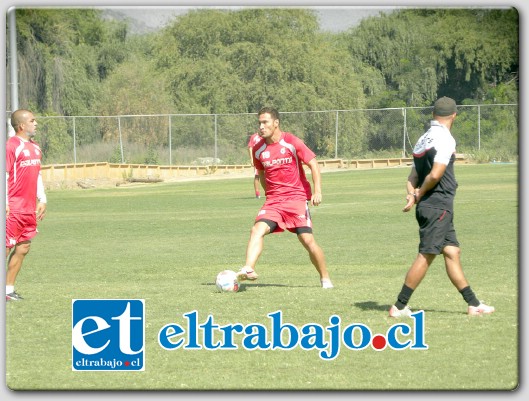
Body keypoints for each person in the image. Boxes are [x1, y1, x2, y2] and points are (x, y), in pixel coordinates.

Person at [389, 97, 494, 317]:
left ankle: (473, 304)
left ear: (434, 114)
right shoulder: (445, 138)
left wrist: (412, 194)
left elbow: (413, 176)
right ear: (454, 115)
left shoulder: (422, 138)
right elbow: (435, 174)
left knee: (452, 252)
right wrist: (420, 193)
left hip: (433, 206)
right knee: (426, 254)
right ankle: (399, 306)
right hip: (438, 205)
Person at [237, 107, 333, 289]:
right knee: (256, 230)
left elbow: (313, 163)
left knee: (307, 240)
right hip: (274, 202)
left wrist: (317, 191)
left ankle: (325, 278)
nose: (261, 126)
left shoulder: (291, 142)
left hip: (296, 199)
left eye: (265, 122)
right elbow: (263, 174)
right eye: (259, 123)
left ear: (276, 123)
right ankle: (249, 268)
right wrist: (269, 195)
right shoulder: (258, 150)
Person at [5, 109, 47, 301]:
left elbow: (37, 174)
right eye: (32, 120)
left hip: (29, 208)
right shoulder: (11, 146)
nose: (36, 123)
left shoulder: (36, 147)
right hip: (12, 207)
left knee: (23, 248)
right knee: (5, 248)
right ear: (22, 126)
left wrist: (42, 198)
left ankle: (8, 291)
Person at [247, 132, 262, 199]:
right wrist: (252, 159)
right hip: (257, 159)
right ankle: (257, 193)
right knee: (257, 176)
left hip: (266, 157)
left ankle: (271, 193)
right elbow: (250, 147)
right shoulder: (254, 137)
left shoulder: (267, 135)